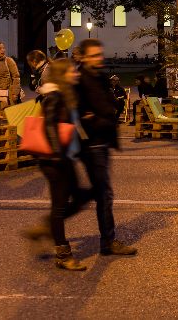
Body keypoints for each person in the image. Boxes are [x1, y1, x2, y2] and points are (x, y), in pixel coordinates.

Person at [26, 59, 93, 270]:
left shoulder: (65, 95)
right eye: (72, 71)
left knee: (82, 197)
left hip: (65, 157)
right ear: (62, 75)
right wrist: (57, 155)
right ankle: (63, 255)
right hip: (54, 161)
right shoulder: (54, 97)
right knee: (59, 206)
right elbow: (50, 126)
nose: (76, 74)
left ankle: (46, 226)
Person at [75, 39, 137, 256]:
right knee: (103, 193)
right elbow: (82, 115)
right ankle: (108, 242)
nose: (97, 59)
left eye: (99, 55)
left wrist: (101, 114)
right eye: (92, 56)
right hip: (91, 144)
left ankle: (106, 240)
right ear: (82, 57)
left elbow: (113, 104)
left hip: (102, 141)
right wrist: (98, 117)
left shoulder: (100, 76)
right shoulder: (79, 80)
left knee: (100, 193)